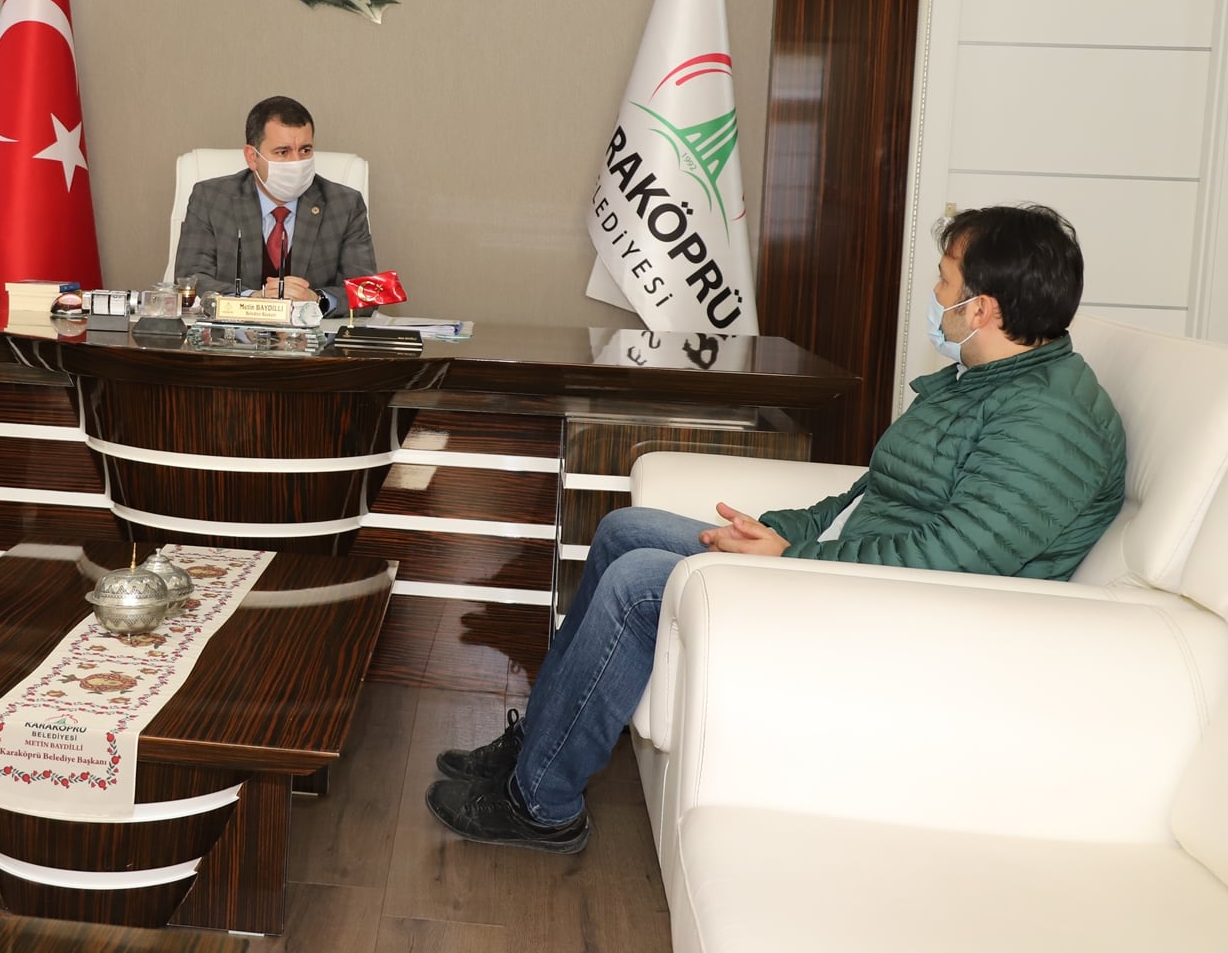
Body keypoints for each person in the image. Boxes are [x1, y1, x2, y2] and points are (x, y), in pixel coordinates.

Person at [427, 204, 1126, 853]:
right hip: (842, 573)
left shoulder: (1049, 422)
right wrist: (773, 532)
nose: (935, 297)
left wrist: (794, 557)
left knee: (641, 584)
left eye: (945, 282)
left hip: (912, 616)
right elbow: (870, 493)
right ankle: (536, 748)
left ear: (983, 307)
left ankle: (542, 805)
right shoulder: (981, 379)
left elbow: (953, 561)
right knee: (624, 530)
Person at [173, 95, 376, 314]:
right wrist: (252, 300)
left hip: (312, 334)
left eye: (305, 150)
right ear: (252, 157)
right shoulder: (211, 199)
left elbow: (369, 292)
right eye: (283, 152)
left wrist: (317, 299)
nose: (297, 162)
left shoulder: (345, 205)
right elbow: (190, 281)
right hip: (233, 334)